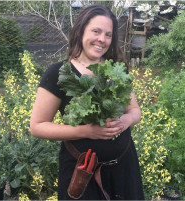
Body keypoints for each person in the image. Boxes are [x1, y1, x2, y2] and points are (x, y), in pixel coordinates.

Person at [30, 4, 144, 200]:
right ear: (81, 30)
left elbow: (134, 110)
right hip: (83, 172)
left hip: (124, 167)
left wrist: (126, 121)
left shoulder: (118, 70)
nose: (102, 39)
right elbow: (37, 126)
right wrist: (87, 131)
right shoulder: (58, 73)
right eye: (96, 31)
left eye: (108, 35)